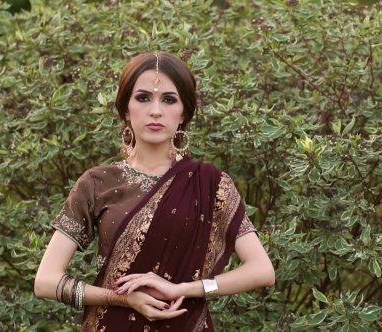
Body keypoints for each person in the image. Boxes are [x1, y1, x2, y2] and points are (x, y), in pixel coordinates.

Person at [34, 51, 275, 332]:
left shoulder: (211, 184)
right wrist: (121, 299)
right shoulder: (98, 182)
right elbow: (45, 281)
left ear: (184, 112)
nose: (156, 111)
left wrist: (182, 289)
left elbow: (261, 270)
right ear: (125, 108)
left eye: (169, 100)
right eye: (143, 97)